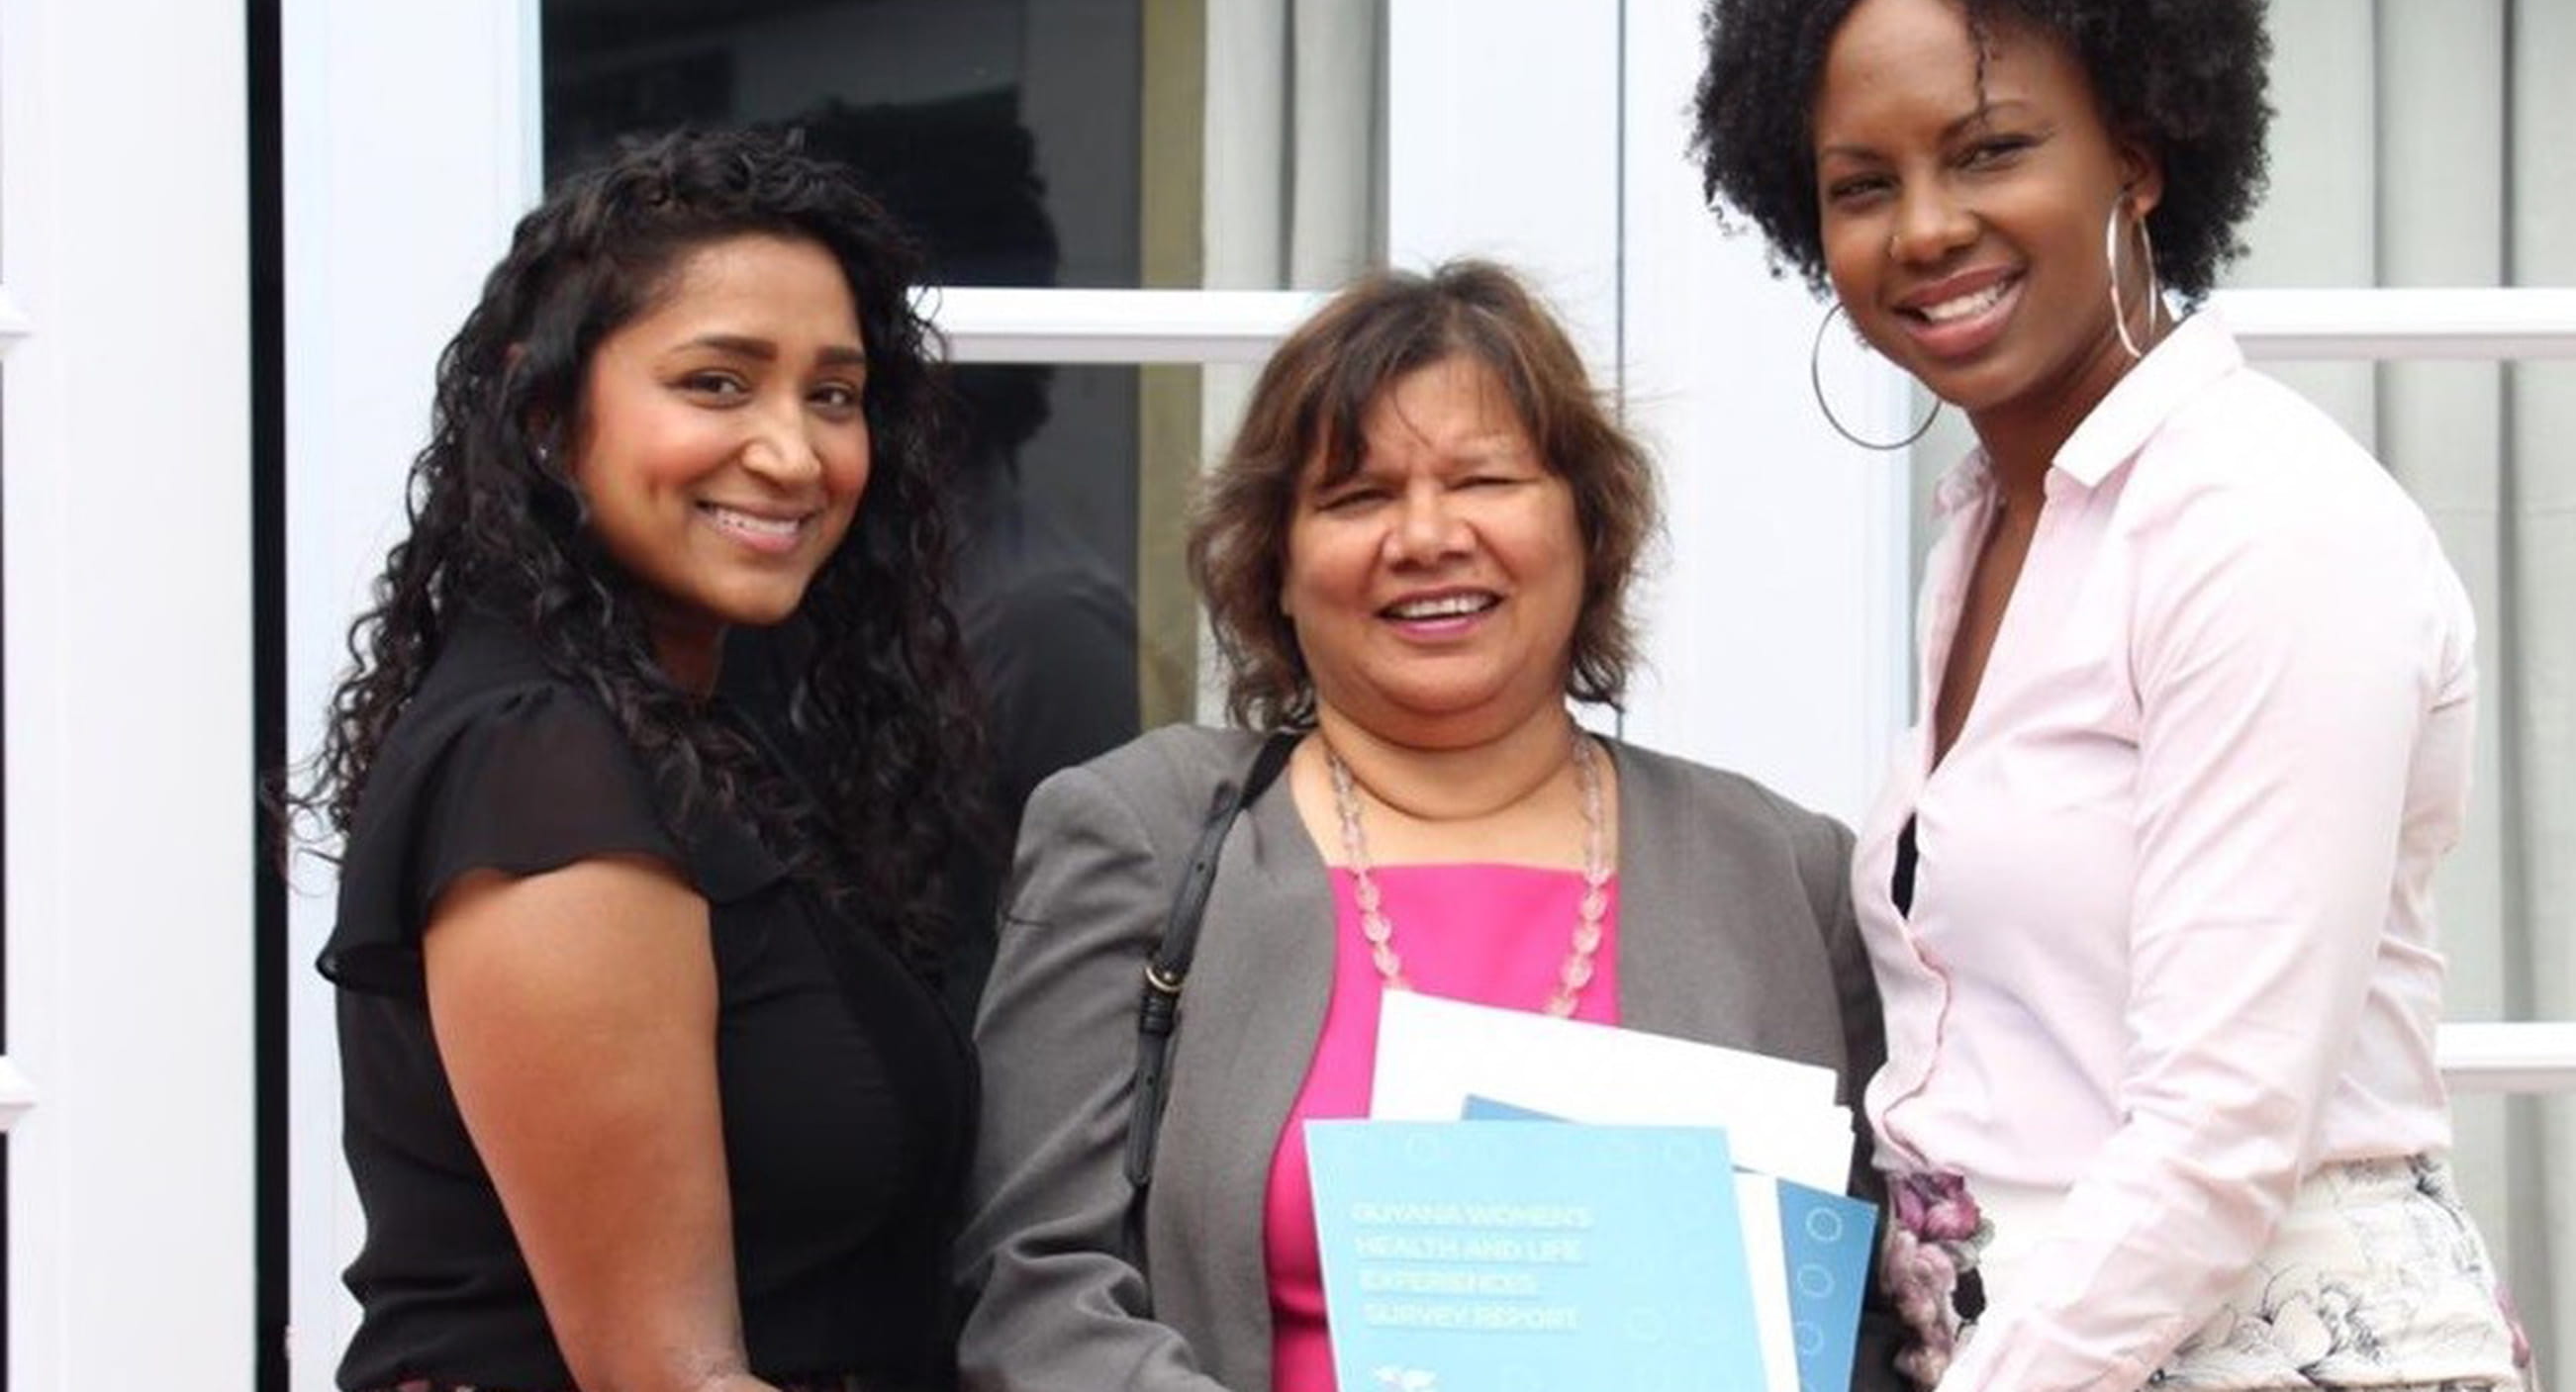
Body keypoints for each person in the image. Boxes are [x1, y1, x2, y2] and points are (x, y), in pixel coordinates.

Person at [1691, 0, 2532, 1390]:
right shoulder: (1999, 525)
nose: (1925, 229)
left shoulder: (2262, 526)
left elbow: (2220, 1132)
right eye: (1861, 186)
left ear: (2136, 157)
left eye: (1992, 150)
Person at [956, 260, 1892, 1392]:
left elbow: (1876, 1313)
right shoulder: (1139, 838)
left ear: (1588, 530)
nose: (1427, 535)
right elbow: (1037, 1291)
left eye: (1485, 480)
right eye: (1357, 497)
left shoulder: (1784, 873)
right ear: (1279, 568)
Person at [308, 128, 997, 1392]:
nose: (794, 454)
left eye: (832, 395)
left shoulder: (683, 734)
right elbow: (663, 1375)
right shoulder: (544, 770)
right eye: (719, 384)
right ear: (543, 408)